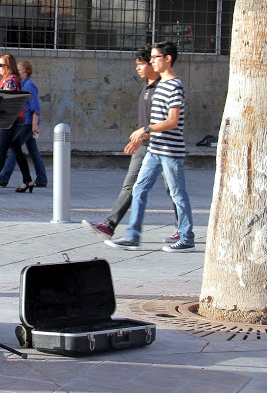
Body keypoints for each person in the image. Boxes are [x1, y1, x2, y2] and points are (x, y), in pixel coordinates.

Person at [105, 42, 195, 252]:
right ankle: (132, 236)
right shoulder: (159, 85)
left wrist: (146, 130)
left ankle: (187, 236)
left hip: (170, 151)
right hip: (155, 150)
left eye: (155, 57)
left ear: (168, 59)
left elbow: (172, 121)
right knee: (138, 189)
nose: (152, 61)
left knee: (177, 193)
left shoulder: (175, 85)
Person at [82, 47, 178, 241]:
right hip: (145, 146)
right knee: (130, 186)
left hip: (163, 146)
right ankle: (109, 226)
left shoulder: (164, 87)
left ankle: (183, 230)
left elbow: (166, 121)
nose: (138, 68)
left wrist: (143, 136)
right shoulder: (146, 86)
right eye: (137, 64)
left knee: (173, 189)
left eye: (141, 63)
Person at [0, 54, 35, 194]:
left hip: (10, 121)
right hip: (15, 120)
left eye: (1, 65)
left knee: (1, 152)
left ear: (8, 66)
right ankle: (28, 180)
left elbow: (8, 101)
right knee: (16, 148)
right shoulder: (10, 79)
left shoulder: (10, 80)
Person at [0, 60, 48, 188]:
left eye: (19, 70)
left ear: (26, 71)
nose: (16, 72)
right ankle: (41, 178)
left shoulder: (29, 85)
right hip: (24, 122)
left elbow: (35, 107)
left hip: (28, 123)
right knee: (33, 151)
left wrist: (34, 125)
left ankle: (3, 177)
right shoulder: (20, 84)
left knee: (15, 148)